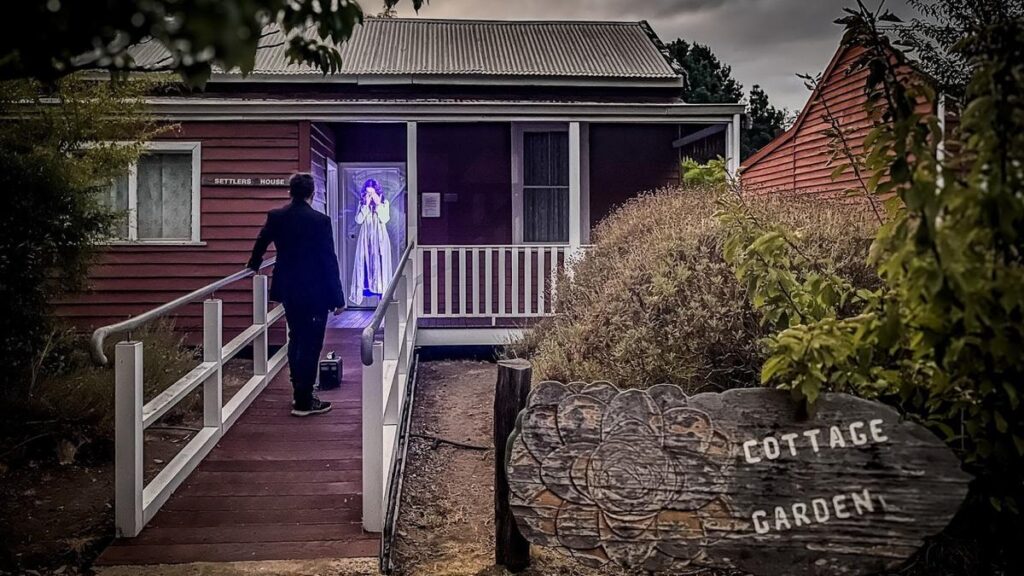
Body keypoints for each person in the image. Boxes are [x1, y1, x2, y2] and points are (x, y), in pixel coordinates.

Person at [247, 173, 344, 417]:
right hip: (315, 291)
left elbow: (262, 241)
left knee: (297, 338)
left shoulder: (277, 216)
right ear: (312, 193)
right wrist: (338, 297)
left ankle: (298, 390)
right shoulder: (320, 221)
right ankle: (304, 400)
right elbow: (328, 260)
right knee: (311, 344)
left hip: (289, 288)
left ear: (290, 191)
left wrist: (254, 263)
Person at [349, 178, 393, 305]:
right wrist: (365, 206)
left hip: (380, 240)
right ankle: (367, 290)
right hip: (366, 240)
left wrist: (378, 204)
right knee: (365, 264)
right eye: (368, 193)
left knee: (380, 265)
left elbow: (385, 218)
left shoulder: (384, 203)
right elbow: (358, 220)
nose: (370, 196)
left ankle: (382, 298)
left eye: (372, 193)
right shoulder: (362, 204)